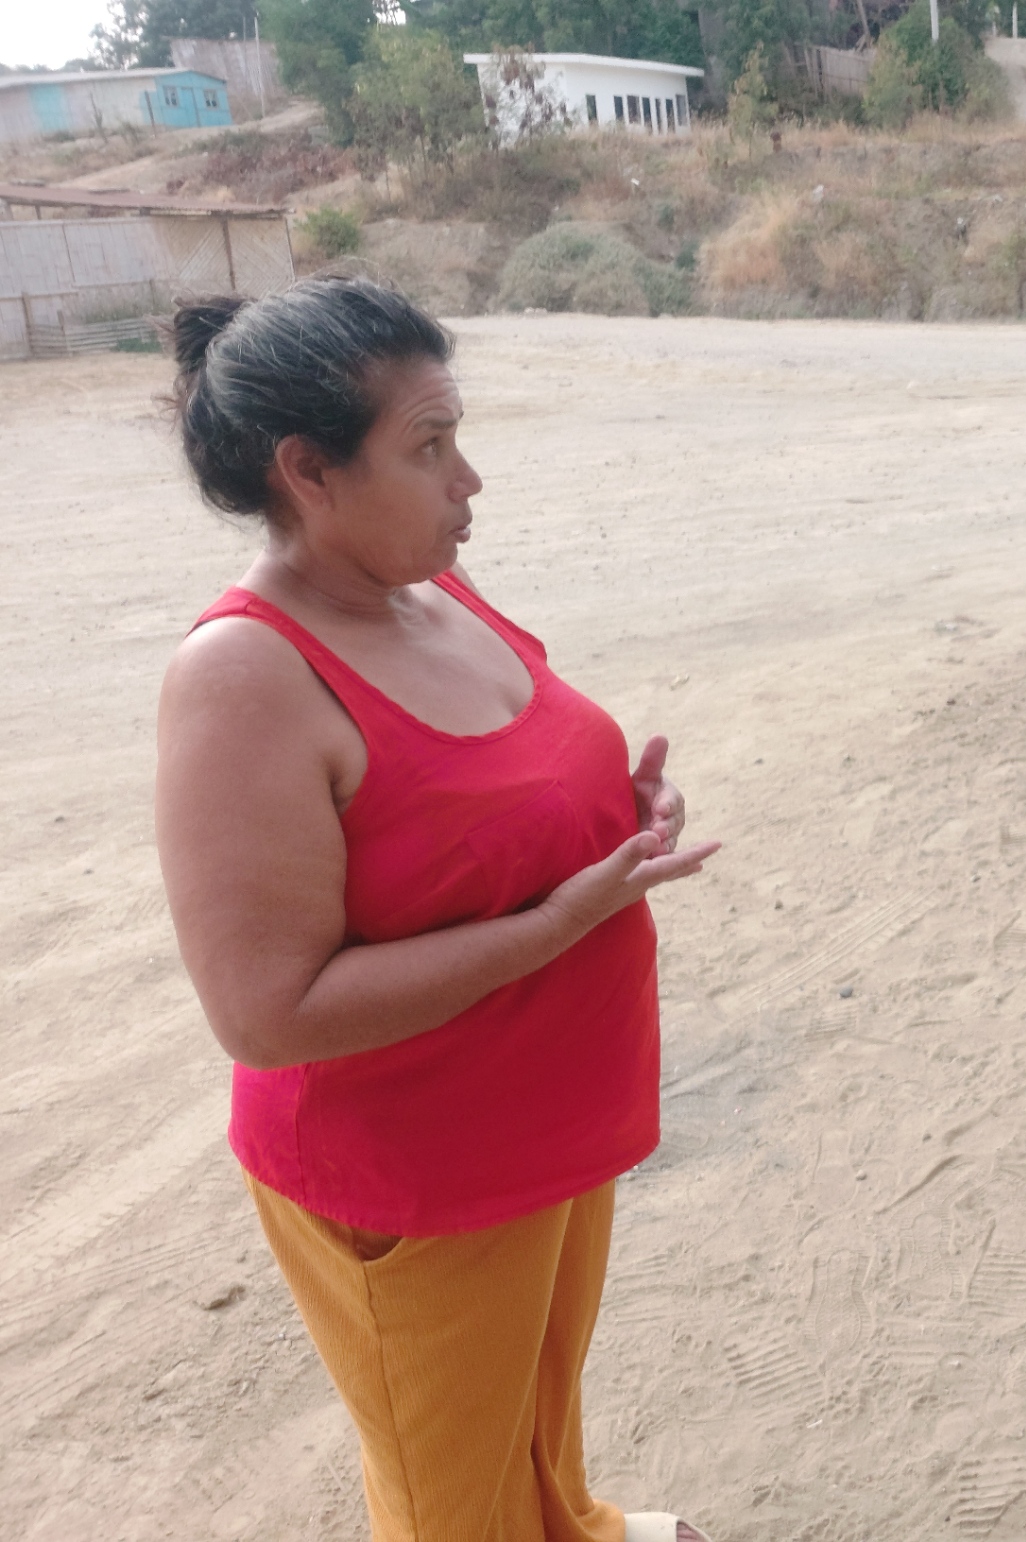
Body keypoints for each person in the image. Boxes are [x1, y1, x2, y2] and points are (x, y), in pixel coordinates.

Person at [154, 277, 719, 1542]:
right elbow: (268, 1014)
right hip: (414, 1179)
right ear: (309, 472)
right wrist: (557, 925)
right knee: (450, 1502)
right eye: (428, 447)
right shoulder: (247, 675)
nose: (469, 481)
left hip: (544, 1125)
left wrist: (613, 812)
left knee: (533, 1421)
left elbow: (481, 799)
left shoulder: (427, 589)